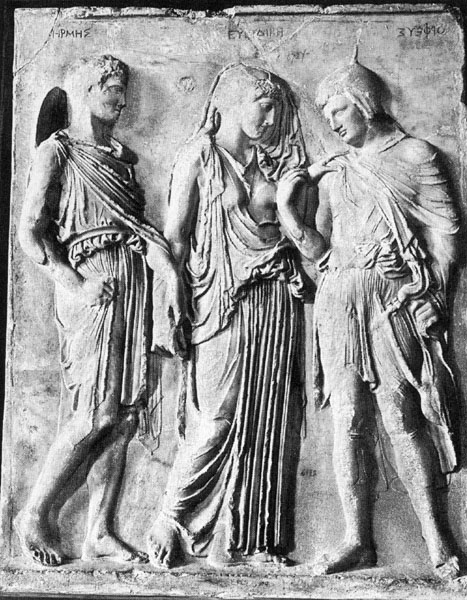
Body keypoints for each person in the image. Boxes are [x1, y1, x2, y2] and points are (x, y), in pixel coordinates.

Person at [276, 52, 460, 578]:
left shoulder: (416, 156)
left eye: (338, 110)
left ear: (364, 103)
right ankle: (358, 540)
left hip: (391, 298)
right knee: (348, 422)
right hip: (339, 298)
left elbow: (447, 234)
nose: (333, 123)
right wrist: (289, 208)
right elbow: (321, 251)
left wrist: (435, 294)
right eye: (326, 114)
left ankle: (438, 540)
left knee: (402, 418)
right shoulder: (337, 170)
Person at [15, 55, 182, 566]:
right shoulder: (58, 151)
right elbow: (31, 231)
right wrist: (75, 283)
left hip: (131, 283)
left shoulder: (121, 159)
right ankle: (34, 513)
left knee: (125, 416)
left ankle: (100, 530)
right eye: (112, 88)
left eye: (124, 90)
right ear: (87, 89)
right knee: (93, 413)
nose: (122, 100)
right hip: (93, 284)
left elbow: (137, 228)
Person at [147, 63, 312, 568]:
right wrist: (169, 301)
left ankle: (250, 540)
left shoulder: (270, 165)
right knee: (216, 418)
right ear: (232, 102)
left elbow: (290, 233)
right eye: (263, 106)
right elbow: (175, 238)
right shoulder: (199, 155)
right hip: (219, 300)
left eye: (276, 109)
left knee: (270, 419)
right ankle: (170, 517)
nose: (271, 118)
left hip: (275, 300)